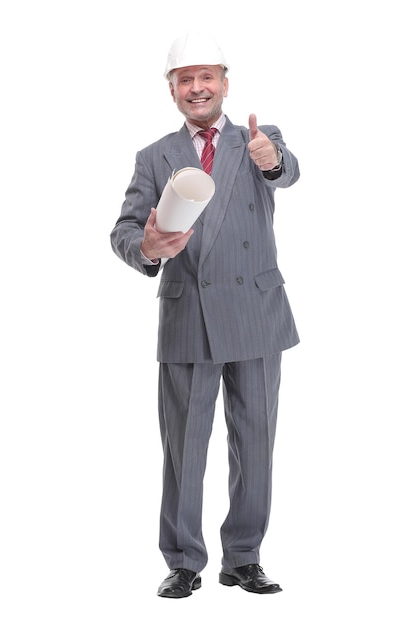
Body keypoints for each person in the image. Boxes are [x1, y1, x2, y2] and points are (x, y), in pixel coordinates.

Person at [110, 31, 301, 598]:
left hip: (257, 311)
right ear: (172, 90)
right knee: (184, 446)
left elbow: (286, 170)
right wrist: (147, 249)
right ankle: (184, 559)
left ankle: (244, 556)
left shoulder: (258, 139)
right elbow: (124, 230)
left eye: (206, 77)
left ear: (224, 82)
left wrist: (273, 160)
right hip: (188, 314)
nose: (197, 88)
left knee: (256, 439)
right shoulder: (154, 156)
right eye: (185, 80)